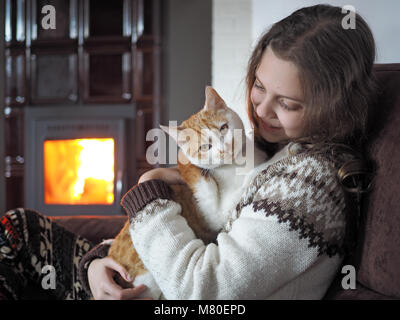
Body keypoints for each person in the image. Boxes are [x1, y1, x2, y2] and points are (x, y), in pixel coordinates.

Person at [0, 4, 376, 300]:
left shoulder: (307, 183)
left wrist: (149, 188)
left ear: (333, 107)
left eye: (287, 104)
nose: (260, 111)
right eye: (259, 86)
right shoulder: (272, 147)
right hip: (135, 276)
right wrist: (99, 262)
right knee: (20, 228)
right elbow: (199, 229)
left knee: (15, 239)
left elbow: (202, 290)